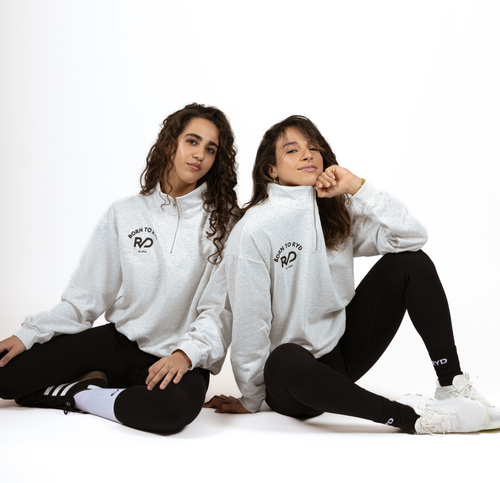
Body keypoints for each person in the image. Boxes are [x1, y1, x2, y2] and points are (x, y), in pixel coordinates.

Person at [205, 115, 498, 435]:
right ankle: (413, 419)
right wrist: (251, 397)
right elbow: (251, 320)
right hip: (293, 382)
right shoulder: (253, 229)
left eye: (313, 147)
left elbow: (412, 237)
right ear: (270, 170)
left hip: (341, 357)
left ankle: (451, 386)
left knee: (411, 263)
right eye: (292, 150)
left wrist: (358, 187)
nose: (307, 154)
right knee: (284, 358)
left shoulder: (336, 210)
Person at [0, 102, 238, 434]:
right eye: (192, 141)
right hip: (120, 343)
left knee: (173, 410)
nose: (200, 154)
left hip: (180, 356)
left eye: (210, 149)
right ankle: (104, 390)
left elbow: (220, 311)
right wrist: (28, 335)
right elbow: (86, 297)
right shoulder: (125, 213)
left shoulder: (226, 223)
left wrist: (186, 355)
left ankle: (83, 395)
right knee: (6, 376)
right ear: (169, 144)